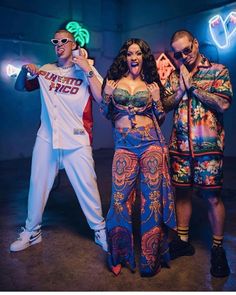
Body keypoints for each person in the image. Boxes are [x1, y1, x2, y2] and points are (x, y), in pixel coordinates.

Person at [10, 29, 108, 252]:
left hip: (77, 137)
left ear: (74, 45)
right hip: (47, 138)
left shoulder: (85, 68)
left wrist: (88, 70)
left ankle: (100, 230)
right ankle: (32, 231)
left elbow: (102, 97)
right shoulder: (46, 70)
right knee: (37, 185)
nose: (59, 44)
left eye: (65, 40)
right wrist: (25, 72)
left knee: (88, 186)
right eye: (56, 41)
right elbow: (20, 87)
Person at [101, 38, 176, 277]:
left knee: (151, 200)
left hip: (150, 143)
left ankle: (150, 258)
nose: (134, 57)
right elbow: (106, 113)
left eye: (138, 53)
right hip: (124, 146)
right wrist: (106, 95)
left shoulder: (152, 83)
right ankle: (119, 254)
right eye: (129, 53)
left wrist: (156, 100)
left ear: (144, 57)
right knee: (119, 201)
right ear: (125, 57)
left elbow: (161, 118)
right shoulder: (113, 82)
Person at [162, 30, 233, 277]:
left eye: (187, 50)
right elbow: (165, 104)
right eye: (178, 53)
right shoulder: (174, 75)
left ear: (195, 44)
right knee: (181, 193)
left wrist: (193, 88)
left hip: (208, 147)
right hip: (180, 148)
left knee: (212, 198)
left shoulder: (217, 71)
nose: (184, 56)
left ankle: (217, 248)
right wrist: (180, 90)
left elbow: (223, 103)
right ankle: (183, 241)